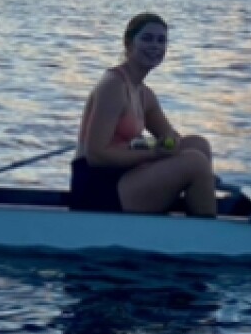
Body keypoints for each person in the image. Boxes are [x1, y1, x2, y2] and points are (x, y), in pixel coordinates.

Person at [70, 12, 216, 217]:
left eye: (161, 40)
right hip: (96, 186)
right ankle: (206, 234)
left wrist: (166, 143)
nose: (155, 46)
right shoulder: (113, 86)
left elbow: (171, 138)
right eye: (147, 39)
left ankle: (196, 209)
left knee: (198, 145)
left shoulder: (144, 94)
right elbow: (96, 156)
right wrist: (155, 153)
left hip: (124, 176)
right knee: (195, 162)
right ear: (129, 44)